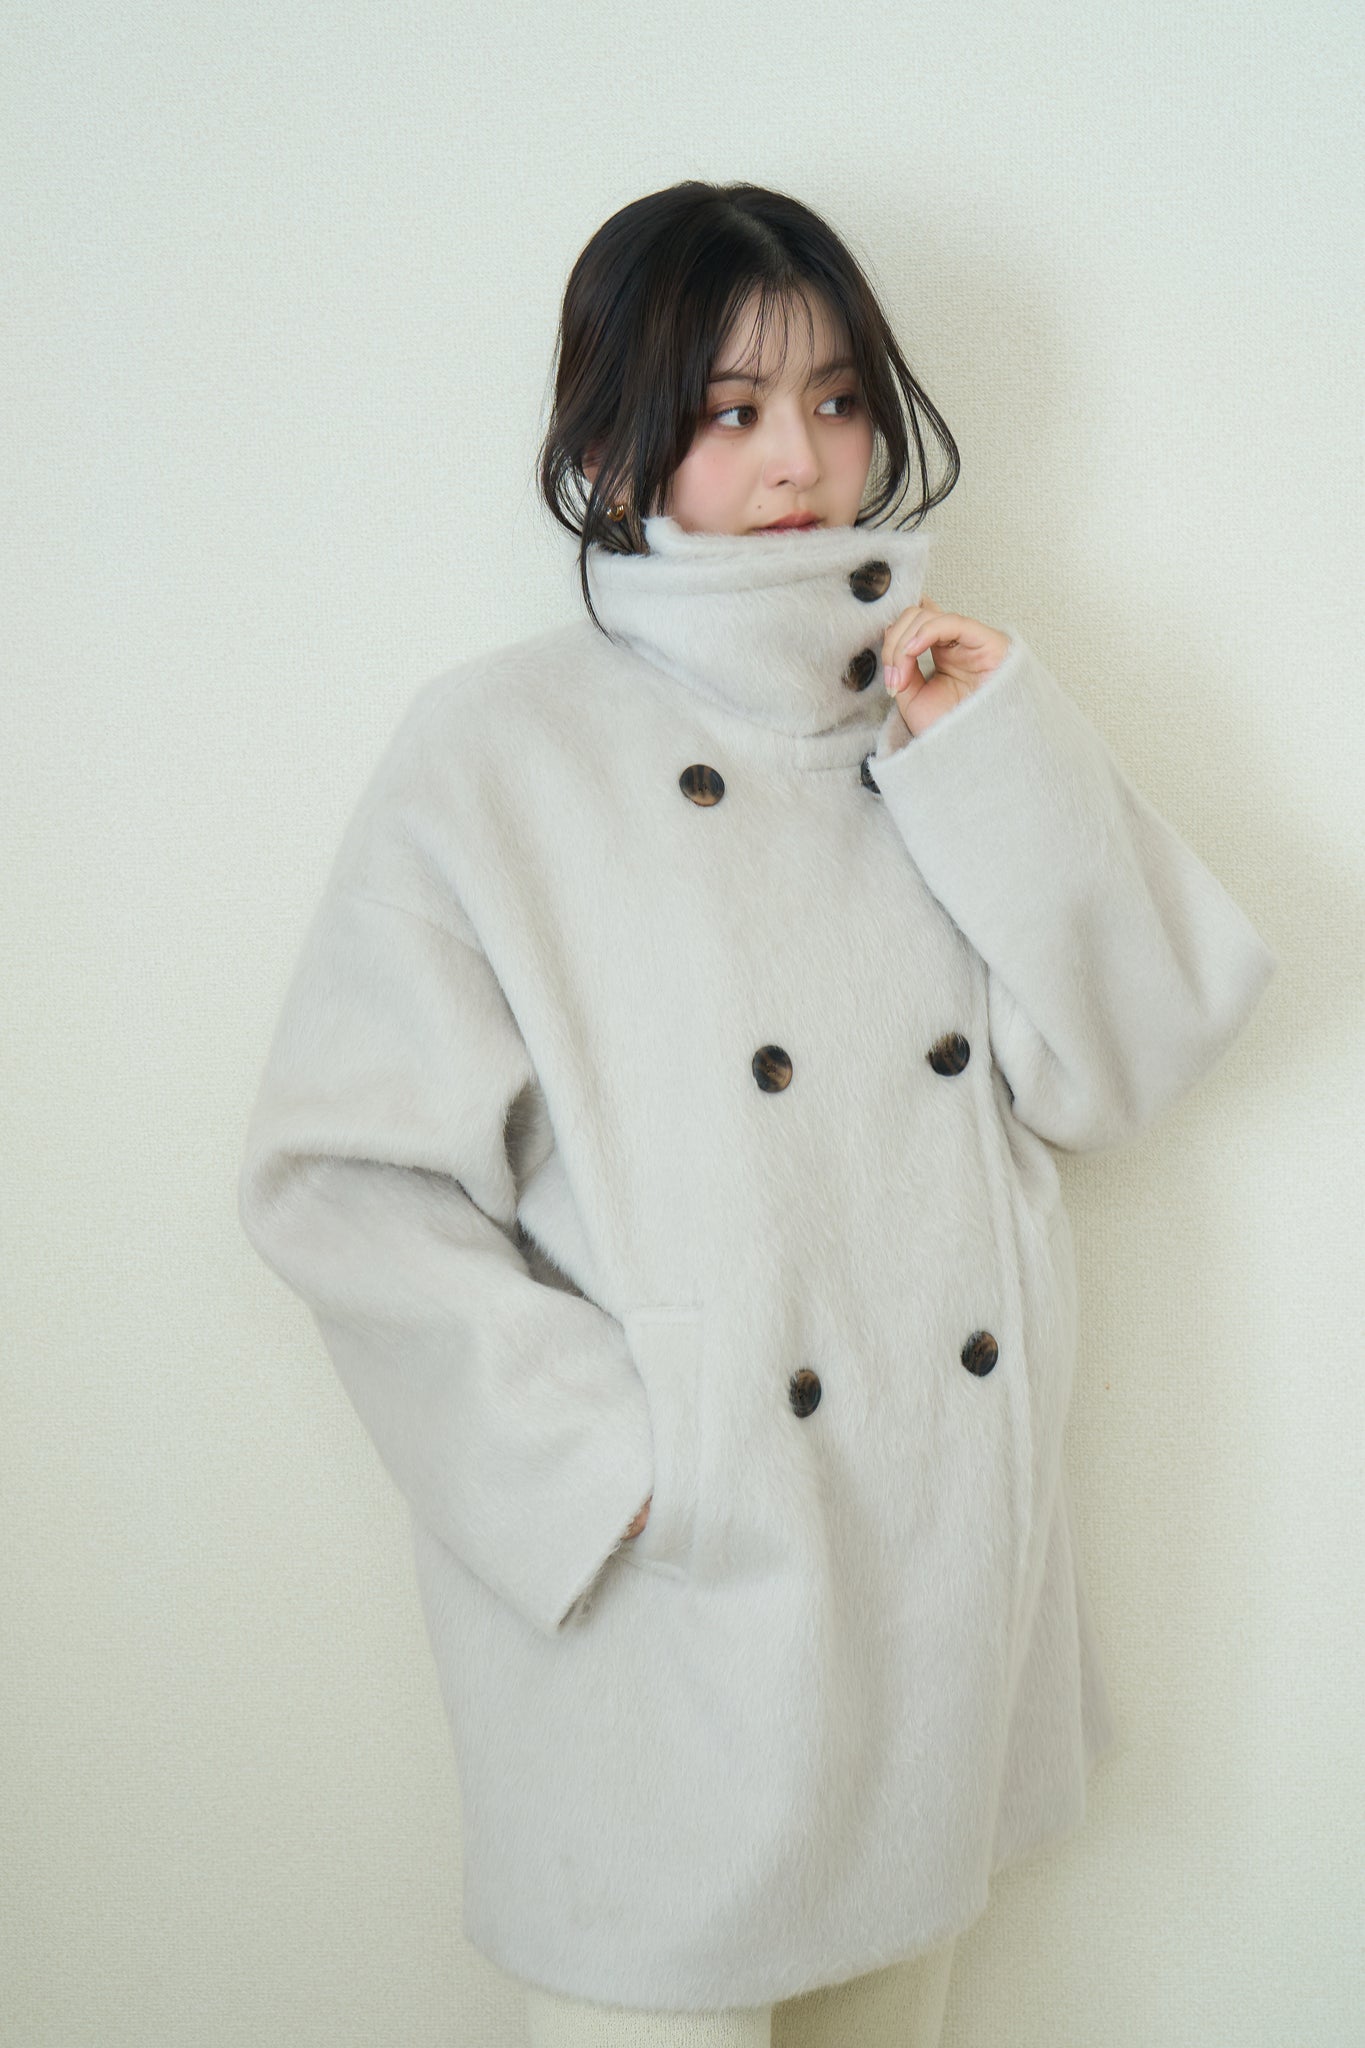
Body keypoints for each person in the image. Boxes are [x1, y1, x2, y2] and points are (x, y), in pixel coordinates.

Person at [237, 181, 1278, 2045]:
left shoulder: (940, 712)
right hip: (681, 1618)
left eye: (836, 399)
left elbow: (1113, 1070)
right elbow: (343, 1180)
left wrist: (999, 758)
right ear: (609, 440)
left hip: (937, 1589)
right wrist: (624, 1469)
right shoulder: (498, 751)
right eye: (729, 410)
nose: (798, 458)